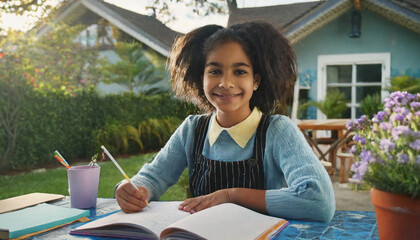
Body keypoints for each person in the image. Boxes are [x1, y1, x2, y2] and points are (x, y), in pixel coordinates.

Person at [115, 21, 335, 222]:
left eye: (239, 71)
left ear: (256, 80)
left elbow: (318, 201)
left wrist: (231, 196)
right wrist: (132, 190)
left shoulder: (277, 131)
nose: (226, 83)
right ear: (201, 77)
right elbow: (153, 177)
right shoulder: (192, 130)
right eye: (214, 71)